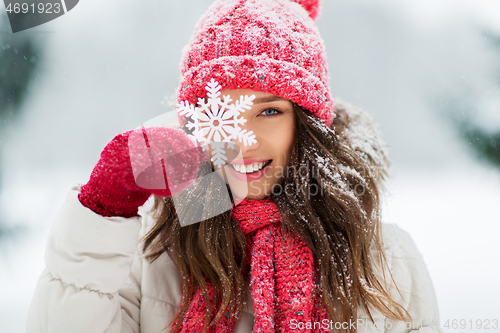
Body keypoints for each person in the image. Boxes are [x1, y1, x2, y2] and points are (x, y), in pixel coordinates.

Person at [26, 0, 443, 332]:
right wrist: (104, 210)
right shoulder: (154, 256)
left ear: (306, 124)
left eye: (268, 112)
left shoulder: (384, 260)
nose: (242, 141)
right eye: (222, 113)